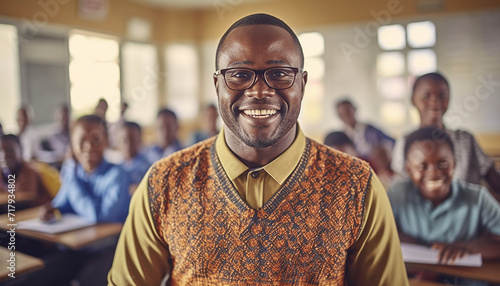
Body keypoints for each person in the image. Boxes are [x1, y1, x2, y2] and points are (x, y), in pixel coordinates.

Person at [108, 13, 408, 285]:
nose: (260, 91)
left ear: (302, 84)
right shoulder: (164, 182)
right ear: (217, 86)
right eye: (239, 74)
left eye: (279, 73)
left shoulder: (356, 185)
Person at [388, 127, 500, 283]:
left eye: (443, 164)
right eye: (422, 166)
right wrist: (425, 245)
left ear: (454, 164)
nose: (434, 173)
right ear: (408, 169)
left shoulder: (477, 198)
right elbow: (381, 235)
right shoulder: (397, 193)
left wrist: (469, 249)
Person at [391, 72, 500, 199]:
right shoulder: (405, 143)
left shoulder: (465, 140)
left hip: (468, 214)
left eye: (442, 96)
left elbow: (493, 179)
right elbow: (401, 191)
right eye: (426, 96)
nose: (435, 101)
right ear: (413, 100)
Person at [40, 115, 131, 223]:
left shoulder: (117, 174)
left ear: (106, 142)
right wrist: (50, 210)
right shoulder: (76, 172)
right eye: (82, 140)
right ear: (72, 145)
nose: (89, 147)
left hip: (112, 238)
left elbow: (101, 216)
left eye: (96, 140)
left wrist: (72, 175)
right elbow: (62, 204)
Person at [0, 134, 51, 210]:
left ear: (21, 151)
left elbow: (23, 200)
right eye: (1, 151)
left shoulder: (29, 172)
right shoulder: (3, 172)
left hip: (35, 216)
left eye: (10, 151)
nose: (5, 156)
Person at [336, 98, 395, 163]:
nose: (346, 116)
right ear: (339, 116)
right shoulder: (341, 136)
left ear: (354, 110)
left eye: (348, 112)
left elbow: (390, 142)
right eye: (343, 114)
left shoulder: (370, 130)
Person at [118, 121, 150, 195]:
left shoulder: (148, 168)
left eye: (132, 139)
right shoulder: (117, 168)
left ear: (139, 140)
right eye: (124, 140)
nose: (128, 144)